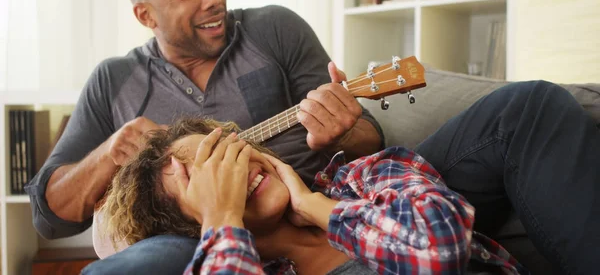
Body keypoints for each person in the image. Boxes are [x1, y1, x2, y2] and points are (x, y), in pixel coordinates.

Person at [25, 0, 383, 273]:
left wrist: (343, 135)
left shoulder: (275, 28)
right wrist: (108, 155)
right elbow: (49, 218)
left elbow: (372, 139)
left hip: (311, 210)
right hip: (199, 242)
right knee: (148, 261)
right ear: (146, 14)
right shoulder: (113, 80)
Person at [99, 117, 526, 274]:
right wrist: (223, 219)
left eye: (226, 151)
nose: (234, 169)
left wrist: (317, 206)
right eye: (206, 176)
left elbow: (441, 248)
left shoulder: (366, 177)